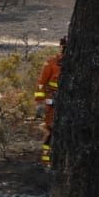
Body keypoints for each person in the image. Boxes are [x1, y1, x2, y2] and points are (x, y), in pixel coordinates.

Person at [34, 36, 66, 167]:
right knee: (51, 131)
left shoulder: (79, 64)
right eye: (65, 47)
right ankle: (46, 162)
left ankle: (64, 161)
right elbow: (41, 84)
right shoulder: (51, 63)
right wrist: (40, 103)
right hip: (53, 102)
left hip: (70, 102)